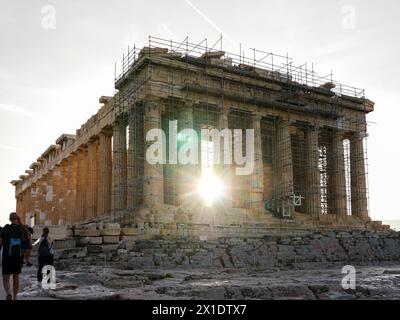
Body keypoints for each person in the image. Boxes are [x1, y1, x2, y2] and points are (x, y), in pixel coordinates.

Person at [0, 212, 29, 300]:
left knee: (6, 276)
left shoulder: (5, 228)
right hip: (18, 257)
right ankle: (15, 297)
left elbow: (0, 243)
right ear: (17, 218)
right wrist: (25, 256)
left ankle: (8, 293)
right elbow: (28, 243)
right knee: (16, 277)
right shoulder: (23, 229)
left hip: (7, 256)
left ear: (9, 219)